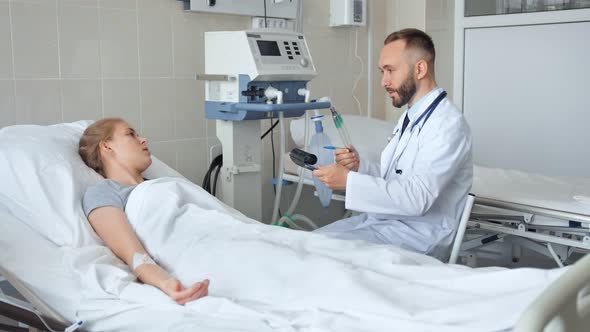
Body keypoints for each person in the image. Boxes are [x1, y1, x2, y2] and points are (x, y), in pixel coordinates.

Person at [312, 28, 473, 261]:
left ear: (420, 69)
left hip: (418, 238)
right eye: (382, 71)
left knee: (317, 256)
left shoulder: (447, 125)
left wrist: (348, 181)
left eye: (390, 71)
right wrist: (360, 168)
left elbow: (417, 198)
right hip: (385, 224)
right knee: (307, 243)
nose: (383, 82)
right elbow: (398, 177)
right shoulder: (412, 116)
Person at [78, 118, 209, 305]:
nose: (143, 139)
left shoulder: (166, 185)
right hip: (195, 253)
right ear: (106, 146)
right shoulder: (103, 193)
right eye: (131, 134)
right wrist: (167, 283)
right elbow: (135, 255)